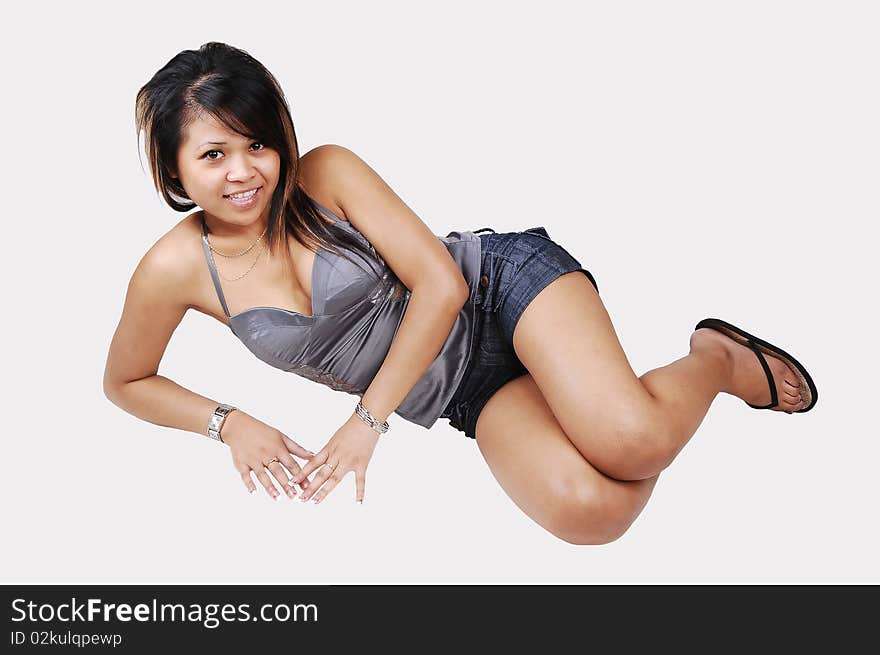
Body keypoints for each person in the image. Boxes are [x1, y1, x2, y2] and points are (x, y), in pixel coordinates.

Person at [104, 42, 818, 545]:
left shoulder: (325, 172)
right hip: (460, 390)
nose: (244, 171)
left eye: (257, 144)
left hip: (497, 291)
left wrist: (367, 421)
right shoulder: (172, 268)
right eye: (213, 154)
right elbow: (125, 379)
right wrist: (229, 422)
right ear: (173, 170)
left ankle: (716, 358)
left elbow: (440, 283)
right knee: (593, 510)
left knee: (634, 442)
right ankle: (604, 405)